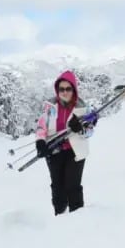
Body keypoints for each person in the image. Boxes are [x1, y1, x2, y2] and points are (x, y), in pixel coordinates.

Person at [34, 70, 97, 215]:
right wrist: (40, 142)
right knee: (57, 186)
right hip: (54, 150)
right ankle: (60, 215)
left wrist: (81, 128)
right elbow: (41, 126)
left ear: (73, 89)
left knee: (72, 186)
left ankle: (77, 216)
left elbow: (90, 132)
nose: (65, 92)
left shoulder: (82, 108)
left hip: (75, 151)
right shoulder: (50, 106)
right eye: (61, 89)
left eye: (68, 89)